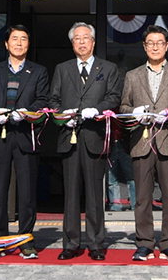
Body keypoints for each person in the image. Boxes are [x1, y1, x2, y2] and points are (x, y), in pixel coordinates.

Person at [49, 21, 121, 261]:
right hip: (68, 138)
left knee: (93, 194)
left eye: (85, 38)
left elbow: (113, 97)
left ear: (93, 41)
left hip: (94, 137)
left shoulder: (108, 68)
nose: (81, 42)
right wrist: (62, 117)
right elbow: (54, 99)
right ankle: (70, 243)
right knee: (70, 194)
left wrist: (96, 109)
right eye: (76, 38)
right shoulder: (62, 68)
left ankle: (96, 243)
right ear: (72, 44)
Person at [120, 25, 168, 262]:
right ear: (144, 46)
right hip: (141, 141)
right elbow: (122, 108)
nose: (155, 46)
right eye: (150, 42)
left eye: (159, 42)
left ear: (167, 45)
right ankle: (144, 243)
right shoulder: (132, 75)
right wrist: (134, 111)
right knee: (142, 197)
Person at [0, 24, 49, 259]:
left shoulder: (39, 71)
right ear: (6, 44)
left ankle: (26, 240)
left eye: (23, 39)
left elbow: (43, 100)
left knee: (27, 192)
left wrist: (26, 111)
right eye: (15, 39)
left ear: (28, 44)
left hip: (25, 135)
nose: (19, 43)